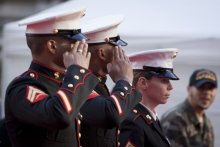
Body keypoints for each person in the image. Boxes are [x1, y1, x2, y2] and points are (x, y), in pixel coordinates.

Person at [4, 8, 99, 147]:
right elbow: (59, 115)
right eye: (74, 42)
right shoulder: (23, 87)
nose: (81, 47)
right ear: (52, 45)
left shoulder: (64, 82)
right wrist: (77, 71)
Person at [79, 15, 142, 147]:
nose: (122, 54)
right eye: (116, 48)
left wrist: (125, 82)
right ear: (102, 53)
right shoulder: (81, 85)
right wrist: (124, 80)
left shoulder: (99, 84)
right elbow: (111, 115)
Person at [119, 48, 179, 147]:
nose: (170, 87)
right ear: (143, 83)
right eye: (164, 81)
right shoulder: (132, 123)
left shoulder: (150, 117)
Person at [161, 68, 217, 147]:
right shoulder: (176, 120)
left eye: (210, 88)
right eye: (201, 87)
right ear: (189, 89)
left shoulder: (206, 123)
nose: (207, 92)